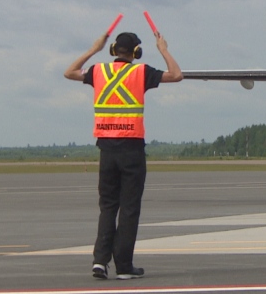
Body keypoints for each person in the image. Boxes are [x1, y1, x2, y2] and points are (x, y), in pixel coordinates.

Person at [64, 30, 182, 280]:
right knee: (129, 208)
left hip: (106, 150)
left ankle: (99, 261)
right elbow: (176, 75)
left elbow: (70, 72)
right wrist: (163, 49)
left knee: (107, 207)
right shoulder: (141, 72)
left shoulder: (99, 71)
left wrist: (94, 49)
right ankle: (124, 266)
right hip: (132, 150)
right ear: (136, 53)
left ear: (113, 50)